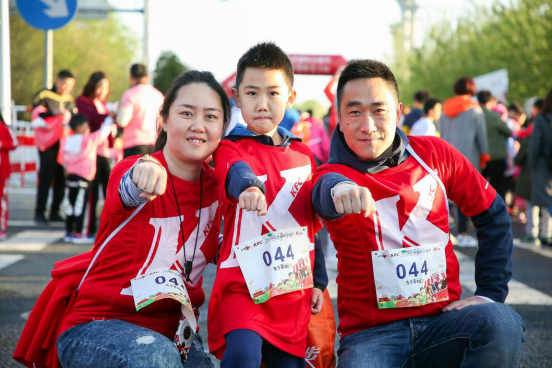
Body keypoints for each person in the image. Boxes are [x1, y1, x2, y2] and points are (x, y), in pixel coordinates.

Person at [312, 59, 524, 368]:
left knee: (501, 322)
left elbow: (492, 213)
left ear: (398, 113)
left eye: (378, 111)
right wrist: (340, 190)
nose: (367, 125)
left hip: (445, 324)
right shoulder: (329, 175)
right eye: (354, 112)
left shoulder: (436, 154)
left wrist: (489, 293)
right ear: (340, 119)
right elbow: (324, 190)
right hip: (372, 336)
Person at [14, 70, 231, 368]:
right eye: (186, 113)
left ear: (223, 127)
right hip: (97, 326)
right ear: (164, 120)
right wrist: (144, 173)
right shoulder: (135, 169)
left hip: (174, 335)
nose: (198, 125)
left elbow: (226, 244)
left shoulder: (218, 188)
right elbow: (127, 187)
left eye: (210, 116)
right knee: (155, 357)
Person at [208, 42, 328, 368]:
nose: (262, 104)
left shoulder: (304, 156)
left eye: (273, 93)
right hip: (241, 284)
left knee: (286, 364)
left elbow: (312, 226)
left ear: (290, 98)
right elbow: (234, 172)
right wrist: (247, 186)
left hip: (291, 288)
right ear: (236, 97)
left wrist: (319, 281)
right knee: (243, 356)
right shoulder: (229, 149)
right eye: (252, 93)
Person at [440, 77, 489, 247]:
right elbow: (482, 137)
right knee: (465, 195)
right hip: (468, 158)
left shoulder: (444, 109)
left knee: (446, 195)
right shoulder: (475, 110)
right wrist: (485, 157)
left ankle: (445, 232)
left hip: (446, 158)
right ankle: (462, 233)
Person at [61, 114, 114, 244]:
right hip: (84, 176)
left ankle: (69, 231)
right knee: (82, 205)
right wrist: (109, 119)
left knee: (71, 204)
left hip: (71, 175)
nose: (88, 127)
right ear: (79, 127)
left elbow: (63, 159)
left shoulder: (67, 140)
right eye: (86, 125)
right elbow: (102, 133)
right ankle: (80, 232)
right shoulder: (88, 140)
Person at [31, 70, 76, 224]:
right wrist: (53, 112)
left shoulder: (69, 99)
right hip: (48, 144)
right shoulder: (44, 95)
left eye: (70, 85)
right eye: (64, 83)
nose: (66, 87)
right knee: (45, 177)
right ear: (57, 81)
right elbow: (36, 113)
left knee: (61, 178)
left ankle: (55, 210)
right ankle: (39, 211)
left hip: (63, 144)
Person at [75, 71, 115, 239]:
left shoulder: (104, 105)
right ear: (92, 86)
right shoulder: (82, 101)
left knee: (109, 191)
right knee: (91, 191)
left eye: (105, 87)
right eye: (100, 87)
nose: (102, 91)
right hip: (90, 152)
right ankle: (88, 229)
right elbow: (91, 117)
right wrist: (109, 116)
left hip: (105, 152)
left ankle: (109, 229)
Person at [117, 63, 164, 158]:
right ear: (147, 76)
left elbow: (122, 121)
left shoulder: (129, 94)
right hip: (154, 145)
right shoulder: (159, 96)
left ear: (131, 77)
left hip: (133, 145)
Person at [478, 90, 512, 202]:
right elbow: (508, 132)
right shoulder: (495, 116)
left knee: (479, 188)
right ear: (490, 101)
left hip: (480, 158)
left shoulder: (474, 115)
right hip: (496, 157)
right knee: (498, 188)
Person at [529, 88, 552, 246]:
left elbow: (535, 145)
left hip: (544, 164)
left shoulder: (542, 119)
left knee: (546, 201)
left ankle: (546, 234)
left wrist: (534, 164)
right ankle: (547, 233)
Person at [0, 113, 18, 239]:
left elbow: (15, 143)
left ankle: (1, 226)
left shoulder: (4, 128)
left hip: (2, 172)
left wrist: (2, 144)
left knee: (1, 199)